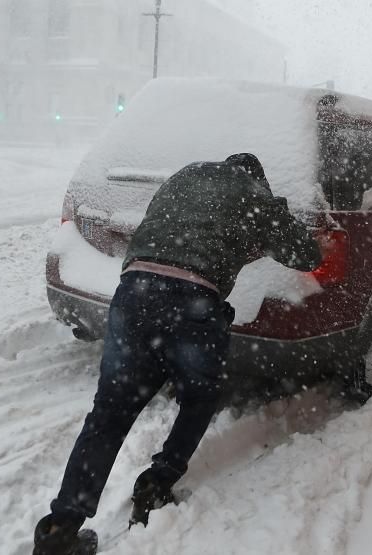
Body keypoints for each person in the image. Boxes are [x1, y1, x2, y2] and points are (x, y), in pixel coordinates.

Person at [33, 153, 322, 555]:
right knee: (199, 398)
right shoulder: (254, 195)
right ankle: (156, 485)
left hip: (134, 293)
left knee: (110, 412)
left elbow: (171, 232)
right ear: (257, 179)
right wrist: (277, 214)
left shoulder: (184, 177)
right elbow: (307, 255)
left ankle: (59, 529)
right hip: (193, 302)